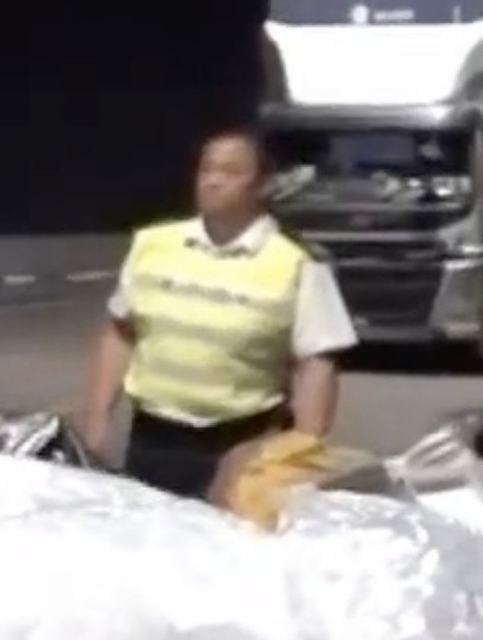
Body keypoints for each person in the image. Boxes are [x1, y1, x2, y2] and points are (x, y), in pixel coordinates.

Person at [77, 128, 358, 499]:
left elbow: (316, 364)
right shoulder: (154, 245)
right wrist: (97, 418)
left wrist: (302, 452)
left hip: (243, 445)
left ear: (262, 185)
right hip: (153, 443)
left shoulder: (297, 263)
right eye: (206, 170)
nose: (213, 181)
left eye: (230, 172)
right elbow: (120, 332)